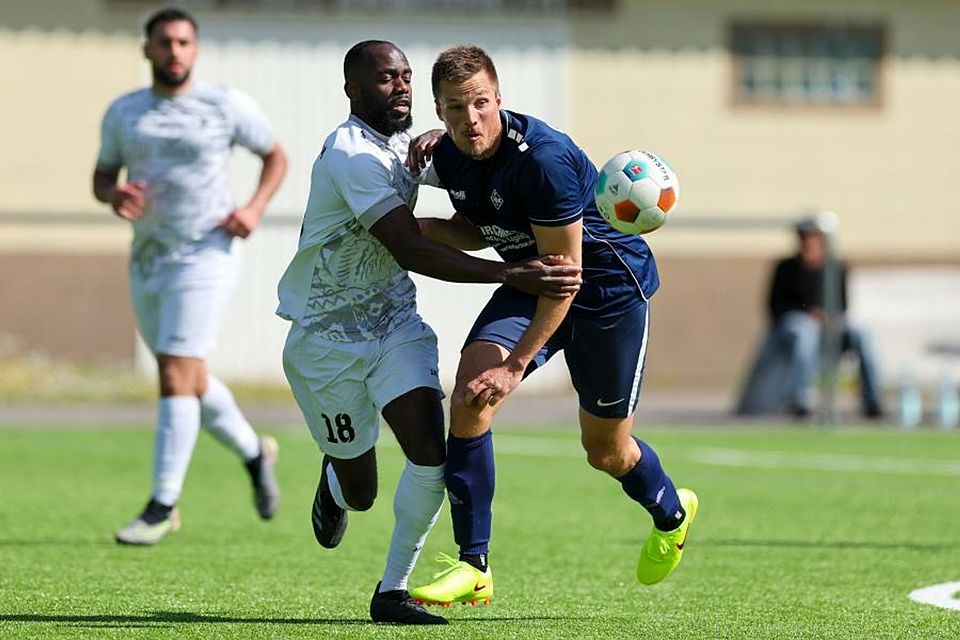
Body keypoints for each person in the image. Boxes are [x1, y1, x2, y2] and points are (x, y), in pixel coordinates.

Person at [276, 40, 581, 625]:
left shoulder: (411, 145)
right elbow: (410, 246)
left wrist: (452, 135)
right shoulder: (351, 154)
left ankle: (392, 592)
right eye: (385, 79)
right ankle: (336, 480)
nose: (400, 88)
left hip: (395, 324)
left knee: (430, 455)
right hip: (326, 340)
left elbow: (479, 162)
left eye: (406, 76)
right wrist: (510, 273)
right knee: (361, 491)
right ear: (352, 91)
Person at [405, 45, 698, 607]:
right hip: (531, 279)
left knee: (605, 451)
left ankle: (671, 513)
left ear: (499, 99)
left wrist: (516, 367)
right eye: (455, 107)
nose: (471, 119)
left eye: (481, 103)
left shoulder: (543, 161)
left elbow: (566, 279)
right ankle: (474, 565)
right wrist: (421, 229)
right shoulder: (450, 154)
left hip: (605, 293)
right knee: (469, 396)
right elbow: (482, 228)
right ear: (439, 111)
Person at [92, 7, 288, 545]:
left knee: (176, 372)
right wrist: (114, 194)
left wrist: (253, 209)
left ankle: (162, 504)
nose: (174, 51)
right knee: (188, 376)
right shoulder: (125, 112)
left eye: (183, 42)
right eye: (165, 42)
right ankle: (255, 452)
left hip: (207, 254)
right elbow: (102, 176)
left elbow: (276, 156)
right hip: (148, 257)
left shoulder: (224, 105)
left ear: (194, 50)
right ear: (147, 50)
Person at [737, 218, 884, 418]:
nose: (809, 244)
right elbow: (775, 306)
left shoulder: (836, 266)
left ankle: (872, 400)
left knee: (862, 333)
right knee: (806, 331)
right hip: (795, 326)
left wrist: (829, 316)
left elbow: (842, 304)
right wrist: (809, 314)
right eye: (806, 239)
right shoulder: (786, 268)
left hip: (830, 325)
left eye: (814, 239)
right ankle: (799, 399)